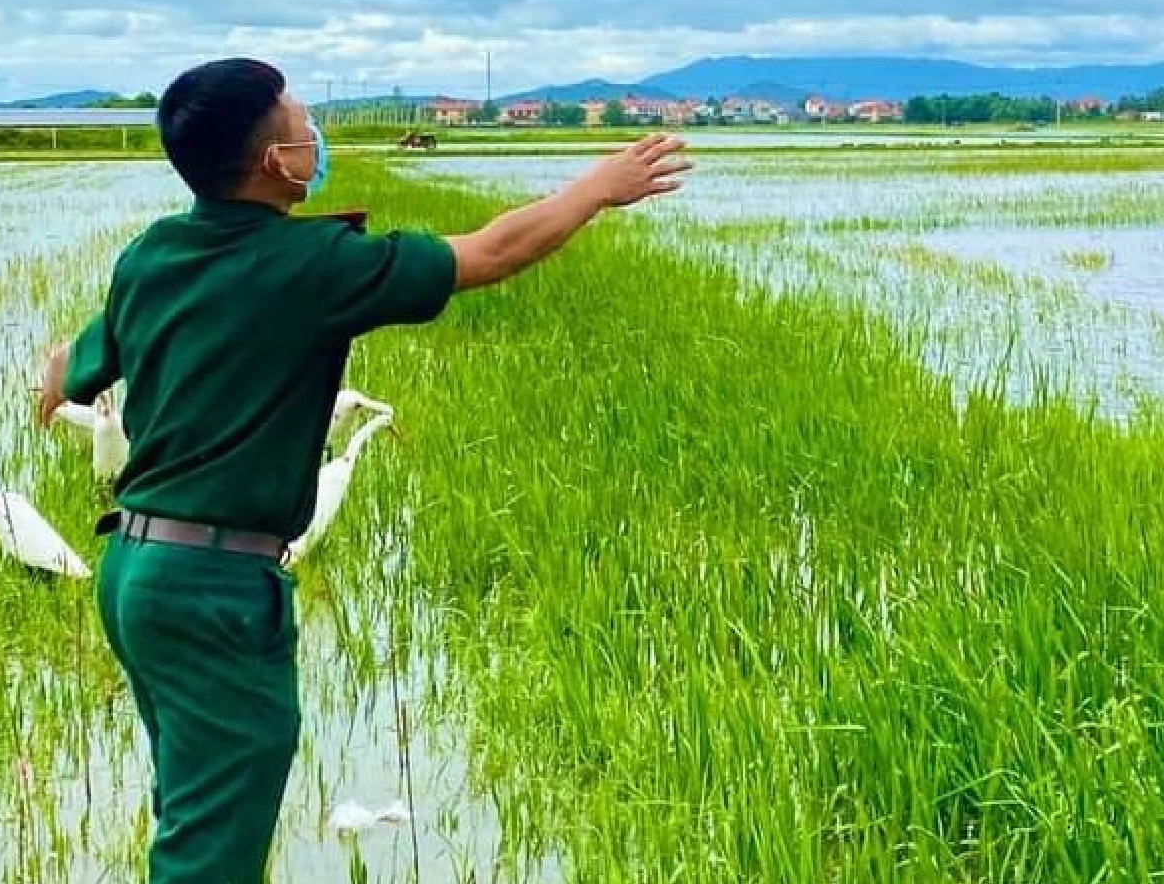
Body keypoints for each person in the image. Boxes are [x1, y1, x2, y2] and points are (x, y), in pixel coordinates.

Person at [34, 57, 690, 882]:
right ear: (274, 162)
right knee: (213, 851)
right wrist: (596, 188)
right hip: (216, 590)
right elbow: (489, 253)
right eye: (306, 128)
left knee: (193, 821)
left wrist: (56, 374)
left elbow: (79, 364)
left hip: (135, 573)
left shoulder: (154, 254)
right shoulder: (312, 266)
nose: (318, 140)